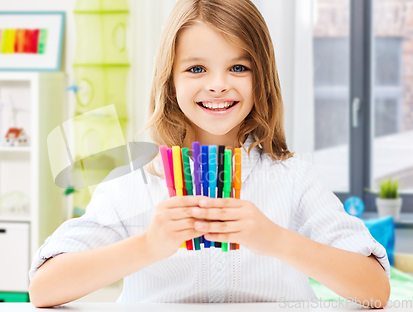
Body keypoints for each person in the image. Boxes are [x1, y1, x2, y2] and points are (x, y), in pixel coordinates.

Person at [29, 0, 390, 308]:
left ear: (260, 78)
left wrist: (276, 239)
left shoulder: (293, 177)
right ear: (170, 82)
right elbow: (44, 289)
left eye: (238, 67)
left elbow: (375, 290)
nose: (218, 84)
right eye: (196, 68)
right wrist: (147, 245)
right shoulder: (132, 179)